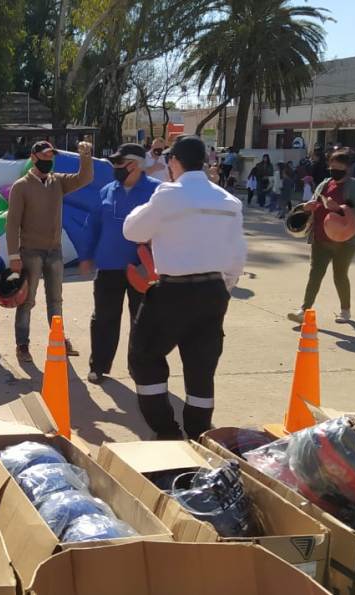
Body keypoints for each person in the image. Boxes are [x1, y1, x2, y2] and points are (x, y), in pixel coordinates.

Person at [123, 135, 246, 440]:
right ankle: (199, 430)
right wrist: (223, 289)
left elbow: (132, 230)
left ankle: (166, 429)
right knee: (201, 365)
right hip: (213, 291)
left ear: (174, 162)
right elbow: (237, 256)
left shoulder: (168, 195)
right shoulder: (229, 201)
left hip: (173, 291)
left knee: (144, 355)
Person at [6, 140, 94, 362]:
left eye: (51, 156)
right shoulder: (21, 186)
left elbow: (84, 178)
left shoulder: (58, 182)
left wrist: (85, 157)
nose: (48, 160)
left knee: (56, 299)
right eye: (44, 156)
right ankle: (22, 345)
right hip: (30, 252)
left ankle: (58, 339)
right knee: (27, 300)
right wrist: (14, 256)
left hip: (54, 251)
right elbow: (12, 223)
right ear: (33, 157)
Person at [79, 143, 159, 385]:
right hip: (108, 266)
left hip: (143, 268)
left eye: (119, 163)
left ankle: (139, 367)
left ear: (134, 165)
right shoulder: (107, 190)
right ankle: (99, 366)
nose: (115, 167)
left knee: (142, 320)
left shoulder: (157, 191)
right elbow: (92, 225)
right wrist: (86, 256)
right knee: (104, 318)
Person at [288, 150, 355, 325]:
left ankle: (345, 310)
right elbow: (314, 203)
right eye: (332, 168)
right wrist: (307, 206)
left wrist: (339, 209)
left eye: (339, 169)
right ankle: (304, 309)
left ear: (347, 169)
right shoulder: (324, 184)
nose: (334, 172)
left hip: (345, 241)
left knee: (340, 275)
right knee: (315, 274)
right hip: (320, 238)